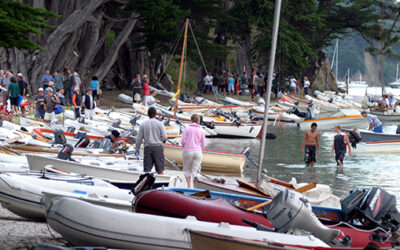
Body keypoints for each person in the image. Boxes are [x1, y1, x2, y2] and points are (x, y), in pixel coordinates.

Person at [135, 107, 167, 174]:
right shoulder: (160, 124)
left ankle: (147, 183)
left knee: (147, 170)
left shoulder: (143, 124)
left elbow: (139, 139)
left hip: (148, 147)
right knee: (160, 169)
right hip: (158, 147)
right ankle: (161, 182)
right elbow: (164, 137)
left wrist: (137, 149)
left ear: (147, 114)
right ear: (156, 114)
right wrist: (159, 139)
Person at [181, 114, 206, 188]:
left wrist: (185, 146)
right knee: (196, 171)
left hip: (188, 151)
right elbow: (203, 144)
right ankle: (195, 187)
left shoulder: (187, 129)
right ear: (198, 121)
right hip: (198, 151)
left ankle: (189, 186)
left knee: (187, 170)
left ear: (191, 120)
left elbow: (183, 141)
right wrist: (199, 148)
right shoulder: (201, 130)